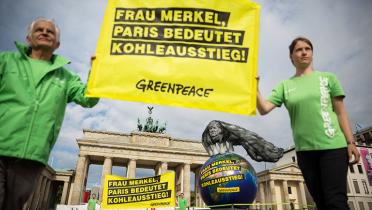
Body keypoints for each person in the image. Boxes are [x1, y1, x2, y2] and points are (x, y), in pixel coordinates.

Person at [0, 17, 99, 210]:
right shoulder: (6, 62)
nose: (44, 32)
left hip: (32, 156)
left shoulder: (65, 77)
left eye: (50, 31)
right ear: (29, 38)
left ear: (57, 44)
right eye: (39, 29)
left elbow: (88, 99)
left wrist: (96, 71)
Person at [256, 36, 360, 210]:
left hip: (333, 147)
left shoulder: (328, 78)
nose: (304, 52)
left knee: (336, 202)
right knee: (320, 202)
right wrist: (255, 88)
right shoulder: (285, 85)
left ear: (312, 53)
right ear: (291, 56)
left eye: (307, 48)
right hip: (305, 152)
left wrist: (351, 142)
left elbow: (341, 112)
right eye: (298, 49)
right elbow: (264, 108)